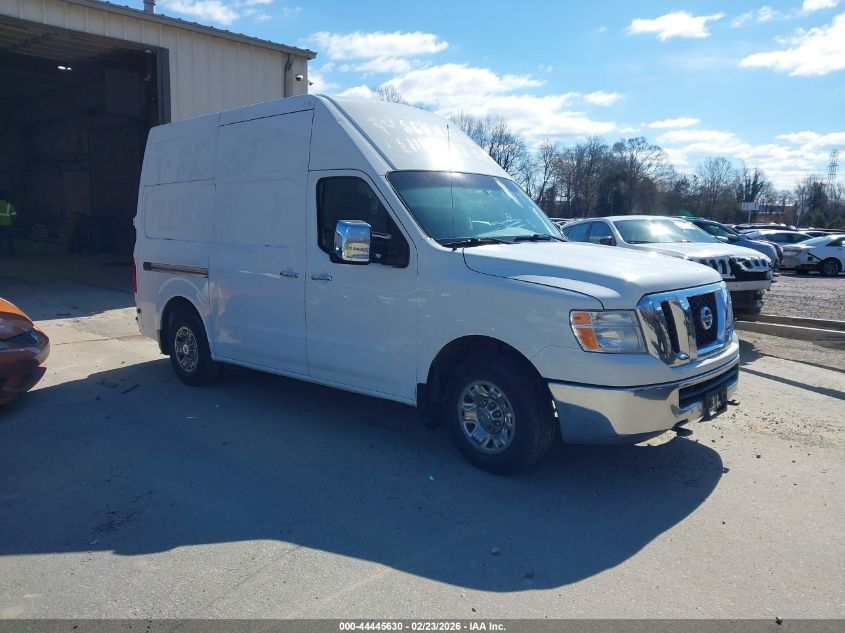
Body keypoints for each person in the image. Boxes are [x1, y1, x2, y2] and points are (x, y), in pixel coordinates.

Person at [0, 191, 17, 255]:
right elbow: (14, 215)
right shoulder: (9, 206)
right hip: (7, 224)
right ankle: (11, 250)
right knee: (9, 238)